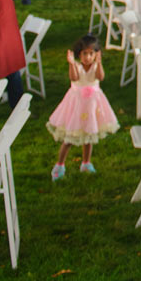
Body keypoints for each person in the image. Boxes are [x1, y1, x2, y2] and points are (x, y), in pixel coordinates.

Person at [47, 34, 119, 180]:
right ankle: (60, 165)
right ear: (79, 54)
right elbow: (73, 78)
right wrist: (71, 63)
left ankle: (86, 162)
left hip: (92, 106)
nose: (87, 57)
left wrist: (99, 63)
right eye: (84, 53)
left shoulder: (96, 66)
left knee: (89, 134)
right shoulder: (77, 67)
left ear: (96, 54)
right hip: (77, 106)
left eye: (91, 53)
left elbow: (100, 77)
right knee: (70, 137)